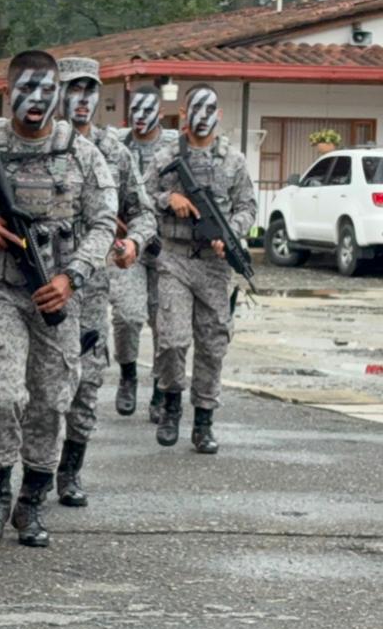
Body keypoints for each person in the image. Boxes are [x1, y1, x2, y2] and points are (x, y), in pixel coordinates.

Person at [0, 50, 117, 549]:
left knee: (53, 400)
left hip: (58, 296)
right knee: (2, 394)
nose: (36, 101)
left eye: (46, 90)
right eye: (26, 90)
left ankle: (31, 500)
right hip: (1, 291)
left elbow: (102, 223)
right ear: (7, 92)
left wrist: (73, 276)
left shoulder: (81, 153)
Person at [51, 57, 158, 507]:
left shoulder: (114, 152)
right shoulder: (37, 143)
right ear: (57, 93)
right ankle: (22, 472)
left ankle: (69, 471)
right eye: (74, 90)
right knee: (36, 386)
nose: (83, 100)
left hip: (91, 288)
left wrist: (134, 241)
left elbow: (144, 211)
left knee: (88, 382)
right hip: (39, 282)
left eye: (90, 91)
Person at [146, 83, 256, 453]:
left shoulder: (232, 160)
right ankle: (171, 402)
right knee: (173, 339)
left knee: (213, 344)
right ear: (184, 114)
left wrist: (233, 234)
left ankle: (204, 419)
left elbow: (247, 207)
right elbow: (139, 198)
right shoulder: (165, 157)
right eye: (197, 109)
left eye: (211, 110)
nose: (204, 117)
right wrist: (168, 198)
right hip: (174, 257)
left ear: (220, 115)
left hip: (214, 265)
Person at [117, 85, 179, 423]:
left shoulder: (175, 148)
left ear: (160, 111)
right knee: (127, 315)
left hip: (167, 245)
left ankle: (159, 387)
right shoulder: (117, 144)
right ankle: (128, 374)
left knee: (164, 322)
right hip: (128, 244)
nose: (140, 118)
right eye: (135, 110)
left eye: (147, 110)